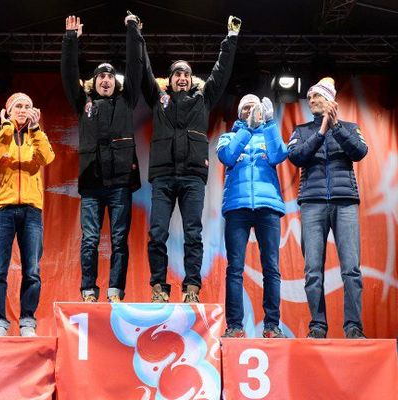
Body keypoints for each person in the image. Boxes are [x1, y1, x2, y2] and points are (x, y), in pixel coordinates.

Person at [141, 16, 240, 303]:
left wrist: (230, 37)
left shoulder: (204, 98)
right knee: (157, 233)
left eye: (186, 74)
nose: (181, 78)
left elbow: (221, 71)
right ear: (169, 80)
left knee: (193, 234)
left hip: (192, 177)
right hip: (162, 176)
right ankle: (158, 288)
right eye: (176, 74)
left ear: (191, 78)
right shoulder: (158, 100)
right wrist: (137, 35)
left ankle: (192, 289)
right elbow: (144, 70)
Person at [61, 13, 143, 303]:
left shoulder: (126, 100)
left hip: (121, 182)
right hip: (92, 182)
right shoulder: (83, 103)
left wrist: (132, 30)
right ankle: (88, 290)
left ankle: (115, 291)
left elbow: (134, 67)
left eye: (110, 77)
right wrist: (71, 40)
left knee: (120, 240)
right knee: (91, 240)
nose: (106, 81)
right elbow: (69, 74)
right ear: (93, 82)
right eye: (101, 77)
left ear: (115, 82)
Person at [287, 77, 368, 339]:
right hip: (312, 204)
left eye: (317, 96)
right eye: (309, 98)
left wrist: (335, 128)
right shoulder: (301, 131)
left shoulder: (350, 127)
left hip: (345, 202)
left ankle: (353, 326)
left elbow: (360, 152)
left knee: (351, 269)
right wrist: (321, 132)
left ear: (331, 100)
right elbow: (296, 157)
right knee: (312, 270)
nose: (311, 100)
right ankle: (318, 326)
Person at [0, 92, 55, 337]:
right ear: (8, 111)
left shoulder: (37, 136)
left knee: (32, 270)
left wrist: (35, 131)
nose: (23, 110)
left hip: (31, 211)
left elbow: (47, 157)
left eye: (27, 106)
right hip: (2, 209)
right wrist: (5, 130)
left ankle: (27, 320)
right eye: (18, 106)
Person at [217, 95, 288, 338]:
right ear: (239, 112)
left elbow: (279, 155)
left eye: (254, 108)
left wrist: (269, 124)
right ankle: (235, 326)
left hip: (268, 206)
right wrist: (247, 129)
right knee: (235, 268)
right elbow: (227, 156)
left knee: (271, 268)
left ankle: (271, 326)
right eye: (245, 107)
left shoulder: (268, 135)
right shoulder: (229, 136)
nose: (250, 111)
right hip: (237, 206)